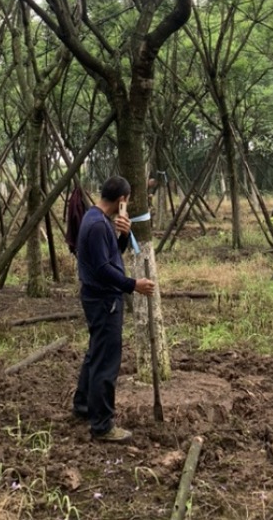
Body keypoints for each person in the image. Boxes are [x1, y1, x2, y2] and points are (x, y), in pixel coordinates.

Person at [73, 175, 155, 443]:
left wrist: (122, 235)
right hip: (104, 301)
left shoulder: (98, 220)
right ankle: (103, 425)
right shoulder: (97, 225)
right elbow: (103, 269)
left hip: (99, 298)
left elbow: (111, 256)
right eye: (127, 200)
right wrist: (133, 284)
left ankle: (83, 406)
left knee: (95, 354)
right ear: (122, 200)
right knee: (106, 363)